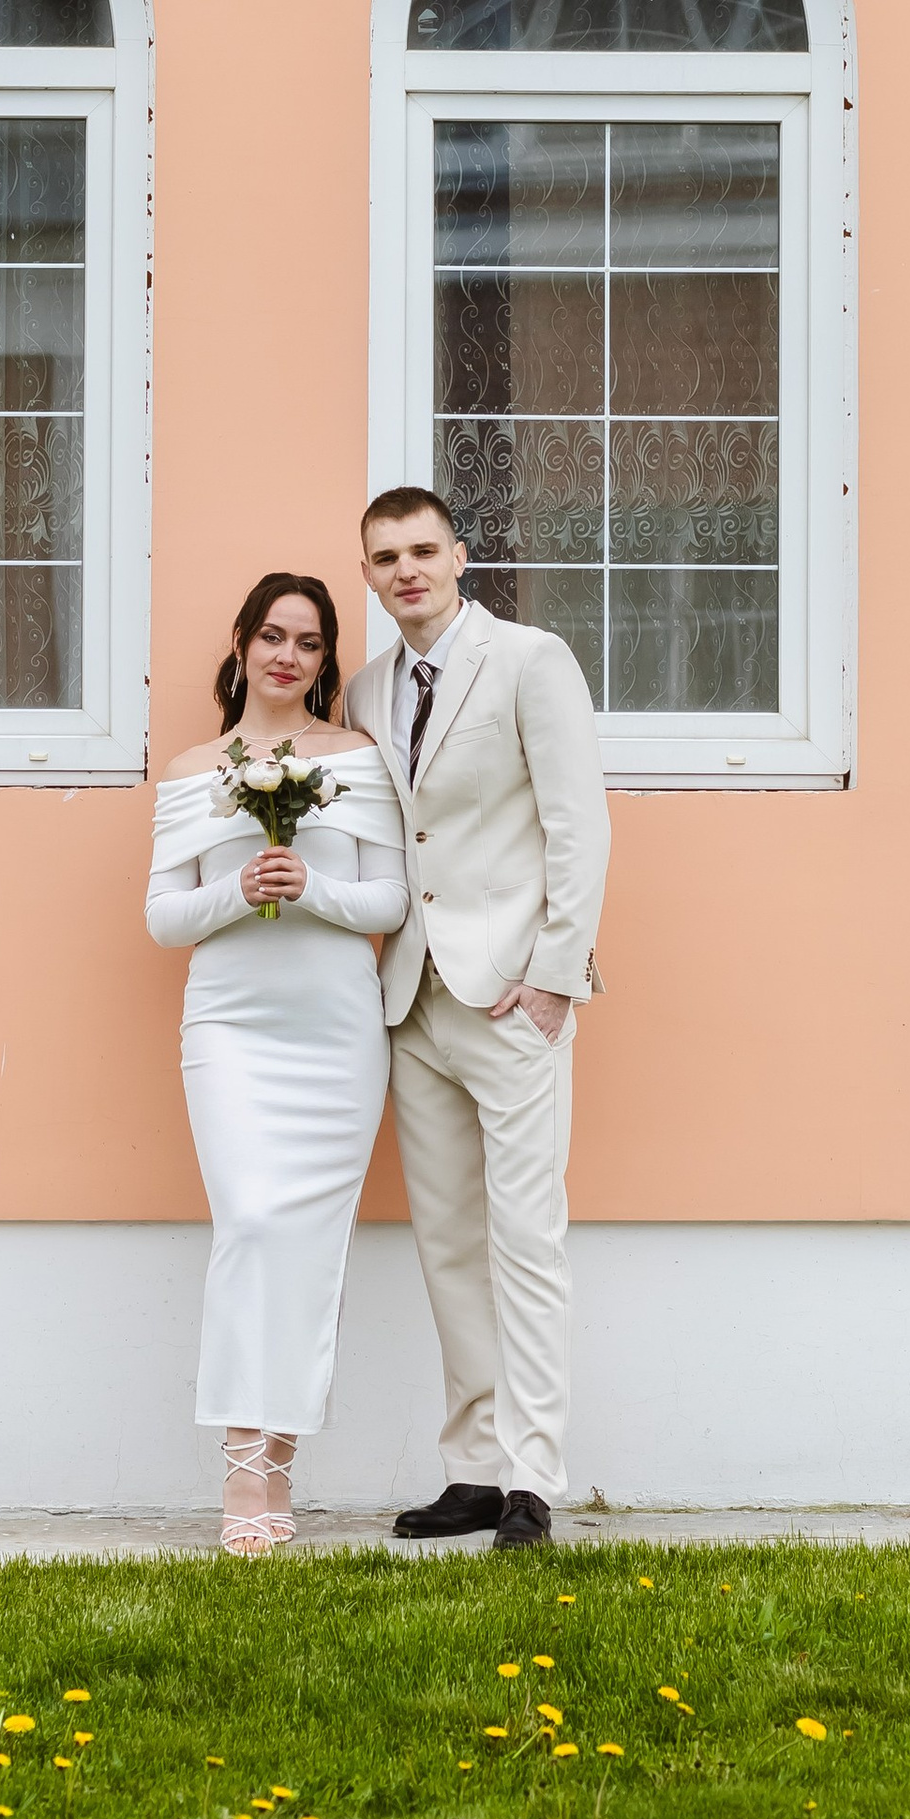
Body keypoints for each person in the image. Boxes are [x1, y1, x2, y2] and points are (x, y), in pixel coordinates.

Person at [344, 489, 610, 1552]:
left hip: (512, 998)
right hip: (411, 1000)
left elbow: (576, 824)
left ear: (458, 555)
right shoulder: (367, 689)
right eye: (383, 557)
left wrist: (554, 975)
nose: (405, 569)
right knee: (448, 1243)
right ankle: (471, 1469)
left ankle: (533, 1482)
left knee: (526, 1237)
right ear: (366, 574)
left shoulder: (530, 660)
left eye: (421, 550)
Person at [146, 572, 408, 1554]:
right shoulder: (189, 769)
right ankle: (238, 1464)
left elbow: (386, 902)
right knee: (249, 1224)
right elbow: (164, 918)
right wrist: (237, 891)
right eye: (271, 635)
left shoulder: (359, 760)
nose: (287, 656)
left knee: (309, 1246)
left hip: (337, 1034)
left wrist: (308, 890)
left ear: (324, 660)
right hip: (231, 1029)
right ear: (243, 645)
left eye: (307, 641)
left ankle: (275, 1467)